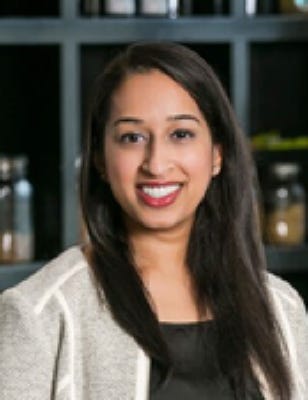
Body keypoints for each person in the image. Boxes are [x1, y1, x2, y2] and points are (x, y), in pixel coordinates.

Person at [0, 42, 307, 400]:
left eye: (181, 134)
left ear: (217, 155)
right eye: (132, 137)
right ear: (100, 158)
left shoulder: (281, 309)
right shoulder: (42, 313)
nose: (156, 163)